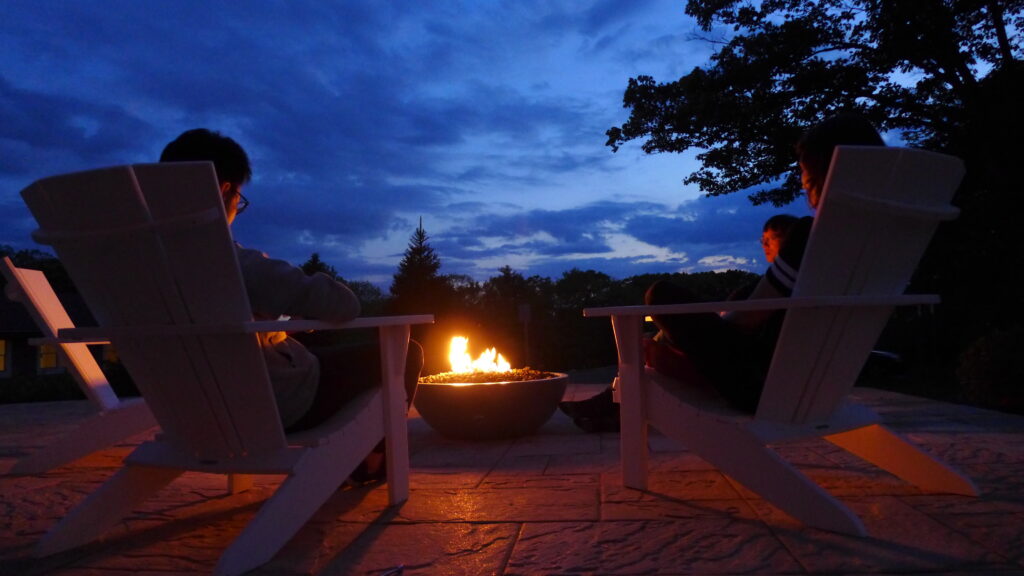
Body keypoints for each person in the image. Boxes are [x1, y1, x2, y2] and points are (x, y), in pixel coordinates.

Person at [560, 113, 885, 428]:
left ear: (828, 176)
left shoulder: (812, 236)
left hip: (761, 386)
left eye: (810, 183)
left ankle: (634, 385)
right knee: (740, 296)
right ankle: (623, 395)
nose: (810, 198)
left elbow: (747, 320)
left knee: (661, 295)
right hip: (820, 381)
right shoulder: (882, 241)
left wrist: (694, 336)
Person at [160, 128, 423, 480]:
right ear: (225, 190)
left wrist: (272, 314)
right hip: (276, 406)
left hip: (192, 413)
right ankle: (369, 463)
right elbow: (344, 305)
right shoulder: (232, 263)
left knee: (311, 341)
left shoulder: (141, 267)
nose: (238, 207)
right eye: (240, 198)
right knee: (406, 349)